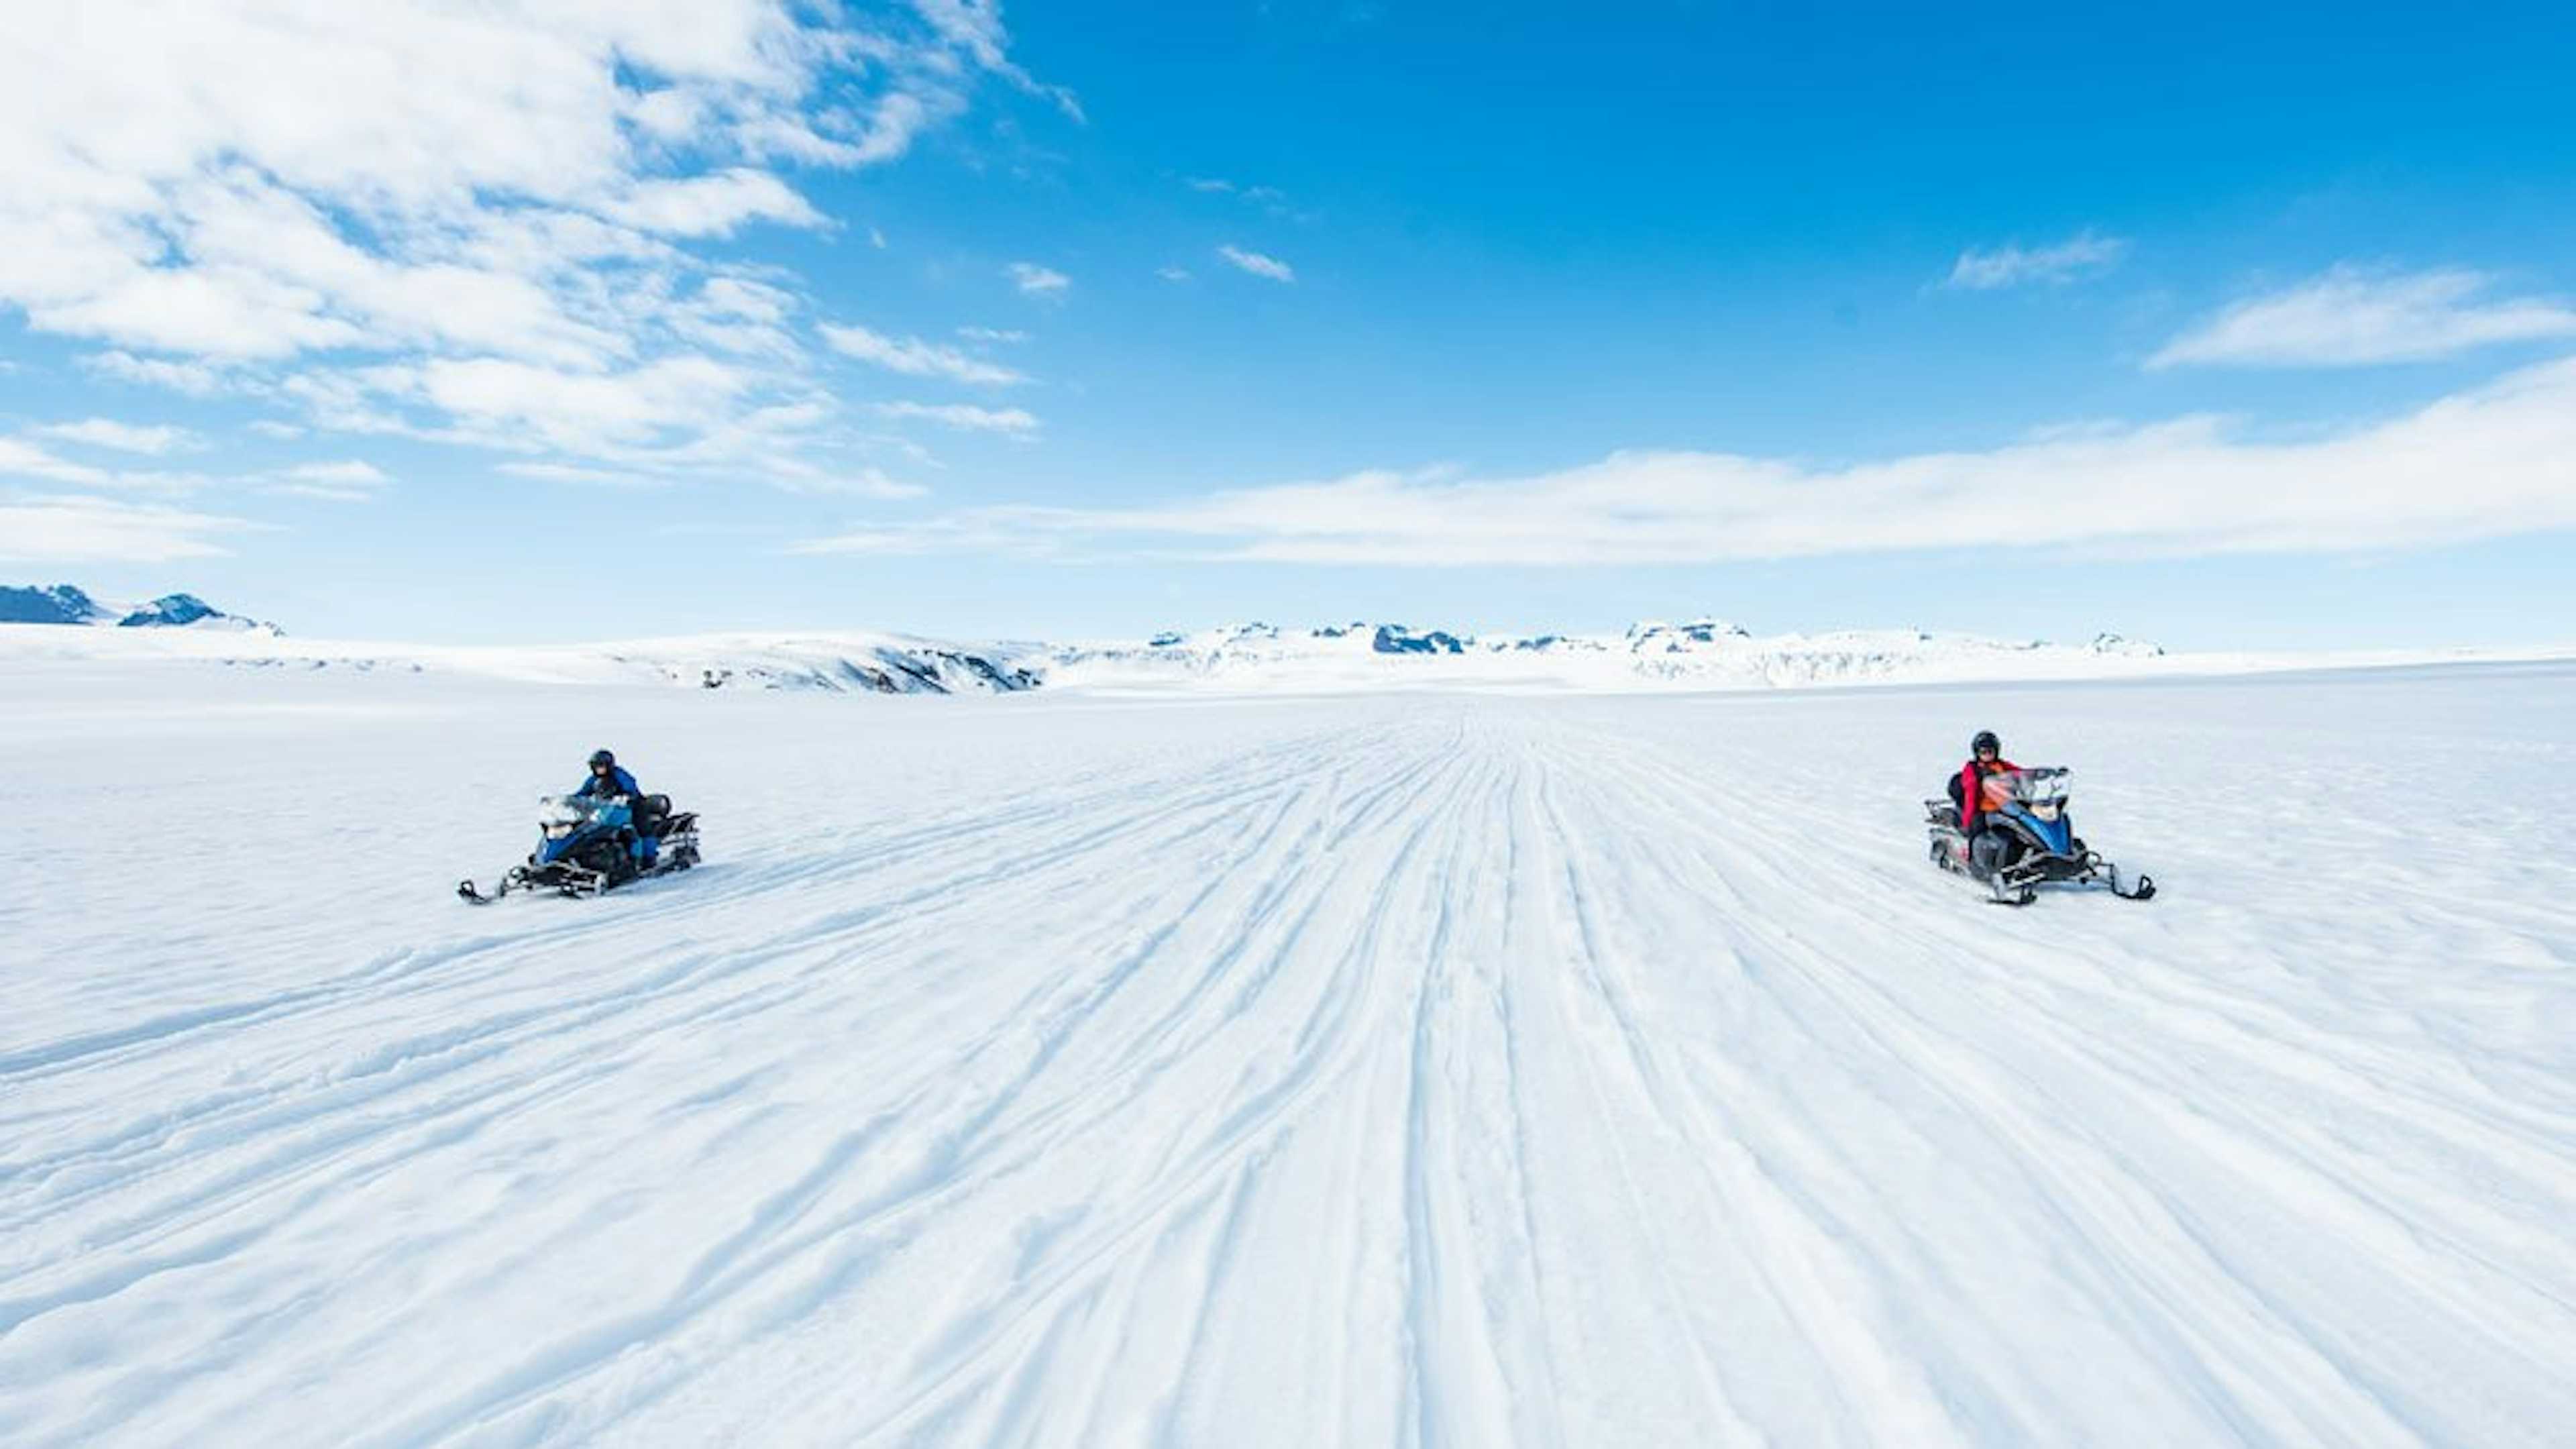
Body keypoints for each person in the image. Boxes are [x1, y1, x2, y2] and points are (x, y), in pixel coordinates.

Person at [1947, 730, 2019, 878]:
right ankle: (1974, 862)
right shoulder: (1972, 769)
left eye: (1990, 751)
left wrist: (2039, 775)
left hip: (2004, 806)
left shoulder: (2002, 765)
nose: (1987, 754)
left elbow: (2020, 773)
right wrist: (1968, 821)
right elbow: (1971, 795)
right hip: (1982, 808)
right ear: (1977, 753)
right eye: (1983, 751)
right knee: (1978, 825)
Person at [574, 748, 658, 865]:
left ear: (609, 765)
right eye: (596, 766)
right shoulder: (594, 779)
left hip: (634, 805)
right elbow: (583, 792)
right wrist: (571, 801)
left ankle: (649, 857)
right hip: (608, 808)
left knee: (642, 828)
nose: (599, 769)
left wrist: (628, 796)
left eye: (601, 766)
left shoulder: (619, 775)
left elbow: (631, 787)